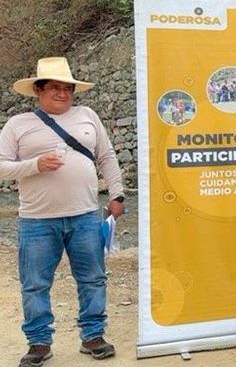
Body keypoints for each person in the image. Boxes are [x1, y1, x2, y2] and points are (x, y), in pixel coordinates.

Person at [0, 57, 125, 366]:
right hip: (36, 220)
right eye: (54, 87)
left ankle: (93, 336)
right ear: (38, 91)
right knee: (35, 283)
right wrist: (35, 165)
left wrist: (117, 194)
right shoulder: (18, 124)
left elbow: (106, 156)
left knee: (93, 278)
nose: (62, 93)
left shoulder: (87, 116)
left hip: (85, 214)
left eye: (67, 87)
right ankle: (39, 343)